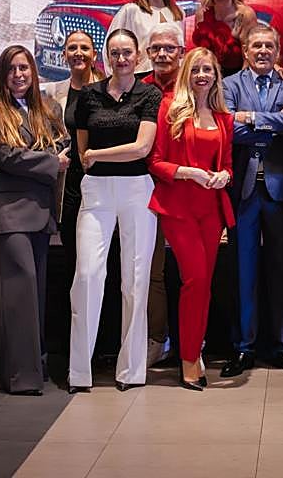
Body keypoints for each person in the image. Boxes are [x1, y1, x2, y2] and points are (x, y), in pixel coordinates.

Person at [69, 29, 162, 392]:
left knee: (135, 281)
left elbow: (141, 148)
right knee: (88, 275)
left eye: (127, 53)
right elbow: (82, 153)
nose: (121, 58)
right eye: (114, 52)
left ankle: (131, 371)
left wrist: (98, 154)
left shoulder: (149, 93)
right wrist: (90, 157)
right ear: (105, 57)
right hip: (96, 192)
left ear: (138, 57)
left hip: (137, 189)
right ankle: (79, 373)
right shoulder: (89, 95)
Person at [0, 45, 70, 395]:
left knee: (35, 294)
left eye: (24, 68)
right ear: (3, 75)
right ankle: (22, 377)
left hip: (42, 211)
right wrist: (47, 163)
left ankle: (28, 366)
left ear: (33, 72)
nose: (19, 75)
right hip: (9, 213)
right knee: (20, 290)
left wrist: (30, 161)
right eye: (12, 69)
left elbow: (63, 148)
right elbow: (2, 155)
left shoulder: (50, 108)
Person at [221, 23, 283, 377]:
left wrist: (253, 118)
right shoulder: (228, 85)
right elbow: (229, 128)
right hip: (243, 190)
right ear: (245, 50)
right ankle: (243, 348)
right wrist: (274, 121)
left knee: (282, 270)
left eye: (268, 46)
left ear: (277, 51)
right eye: (256, 45)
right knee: (243, 271)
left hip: (280, 187)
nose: (262, 51)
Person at [148, 48, 235, 389]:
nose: (202, 75)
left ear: (216, 75)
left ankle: (194, 348)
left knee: (204, 284)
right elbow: (155, 162)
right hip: (179, 207)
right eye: (196, 69)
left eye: (208, 69)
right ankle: (187, 357)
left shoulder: (223, 118)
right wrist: (187, 172)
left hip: (210, 211)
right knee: (194, 280)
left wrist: (224, 177)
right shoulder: (169, 108)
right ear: (186, 73)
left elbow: (227, 165)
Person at [42, 31, 103, 373]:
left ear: (94, 53)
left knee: (100, 268)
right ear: (64, 54)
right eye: (72, 48)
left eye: (84, 47)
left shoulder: (108, 90)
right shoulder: (53, 94)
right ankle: (75, 348)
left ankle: (102, 346)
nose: (78, 52)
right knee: (75, 268)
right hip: (69, 192)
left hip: (102, 188)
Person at [136, 21, 187, 365]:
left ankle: (191, 342)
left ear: (182, 53)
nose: (163, 54)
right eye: (156, 49)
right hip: (146, 191)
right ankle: (158, 338)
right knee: (152, 271)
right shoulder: (139, 89)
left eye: (170, 48)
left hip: (187, 189)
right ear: (147, 53)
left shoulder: (195, 85)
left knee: (190, 272)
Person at [107, 0, 185, 73]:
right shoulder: (130, 11)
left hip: (173, 81)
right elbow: (110, 50)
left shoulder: (178, 13)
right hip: (140, 80)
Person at [191, 0, 256, 78]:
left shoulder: (244, 14)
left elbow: (249, 57)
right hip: (208, 76)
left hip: (239, 76)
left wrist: (238, 85)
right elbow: (201, 54)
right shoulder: (202, 13)